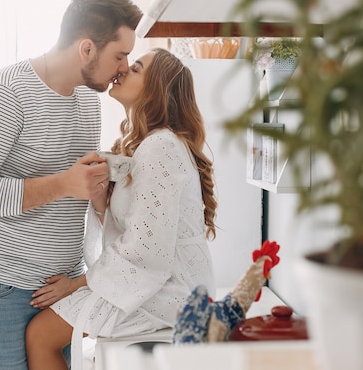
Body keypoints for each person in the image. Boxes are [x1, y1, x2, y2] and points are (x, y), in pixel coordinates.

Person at [0, 0, 143, 370]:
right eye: (120, 55)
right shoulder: (5, 94)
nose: (124, 67)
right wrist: (64, 184)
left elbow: (80, 186)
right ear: (86, 48)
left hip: (60, 286)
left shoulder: (89, 100)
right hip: (0, 284)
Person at [24, 48, 218, 370]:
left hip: (170, 290)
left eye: (137, 69)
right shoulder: (149, 144)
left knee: (41, 335)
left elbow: (146, 250)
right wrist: (102, 200)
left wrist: (77, 283)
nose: (124, 69)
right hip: (165, 282)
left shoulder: (160, 147)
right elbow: (135, 230)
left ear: (156, 89)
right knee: (43, 334)